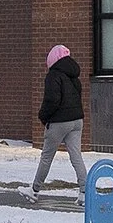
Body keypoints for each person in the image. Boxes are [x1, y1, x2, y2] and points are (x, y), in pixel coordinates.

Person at [31, 44, 86, 197]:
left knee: (46, 157)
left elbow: (51, 100)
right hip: (77, 121)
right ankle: (84, 191)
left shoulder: (53, 75)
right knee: (76, 156)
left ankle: (34, 190)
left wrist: (43, 116)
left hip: (59, 122)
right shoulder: (73, 76)